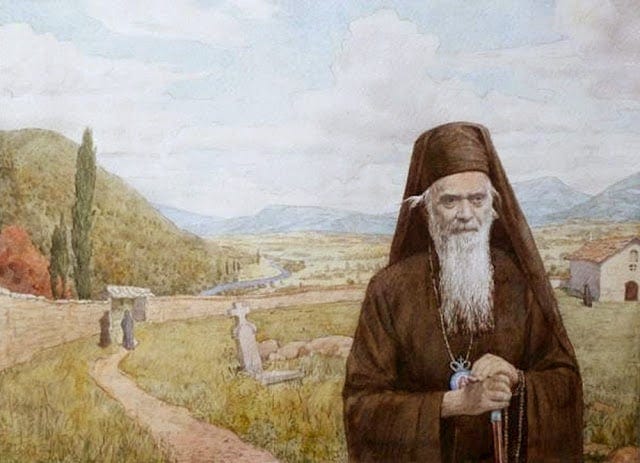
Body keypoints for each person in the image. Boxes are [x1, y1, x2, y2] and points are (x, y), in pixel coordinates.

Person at [342, 122, 583, 462]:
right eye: (450, 201)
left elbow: (565, 382)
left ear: (493, 206)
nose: (466, 214)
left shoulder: (519, 282)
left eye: (477, 199)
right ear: (426, 209)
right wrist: (454, 403)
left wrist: (516, 379)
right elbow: (361, 406)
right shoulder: (389, 290)